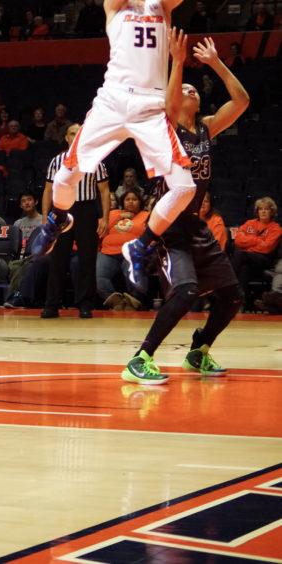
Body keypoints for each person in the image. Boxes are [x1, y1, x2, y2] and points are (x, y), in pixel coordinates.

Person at [34, 0, 202, 279]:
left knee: (185, 188)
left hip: (150, 108)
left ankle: (142, 244)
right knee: (66, 176)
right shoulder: (114, 6)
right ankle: (57, 219)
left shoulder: (160, 5)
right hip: (111, 101)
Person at [122, 30, 248, 384]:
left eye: (195, 89)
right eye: (185, 89)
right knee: (186, 291)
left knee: (232, 295)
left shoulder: (206, 128)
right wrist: (177, 62)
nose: (191, 91)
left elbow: (241, 101)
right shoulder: (168, 128)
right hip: (169, 226)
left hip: (195, 225)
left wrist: (216, 63)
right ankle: (140, 359)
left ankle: (199, 350)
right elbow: (170, 101)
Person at [40, 122, 110, 319]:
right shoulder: (56, 161)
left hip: (86, 209)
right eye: (72, 133)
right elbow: (48, 190)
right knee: (58, 258)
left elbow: (104, 191)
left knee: (87, 258)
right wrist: (45, 217)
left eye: (79, 133)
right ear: (66, 137)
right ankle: (52, 304)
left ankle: (85, 304)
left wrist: (104, 217)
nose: (75, 137)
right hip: (62, 209)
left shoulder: (96, 159)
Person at [96, 188, 149, 310]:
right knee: (98, 276)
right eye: (127, 199)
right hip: (108, 252)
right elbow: (101, 228)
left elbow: (150, 233)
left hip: (132, 253)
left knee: (134, 275)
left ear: (140, 202)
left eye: (134, 199)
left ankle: (133, 300)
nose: (130, 202)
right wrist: (119, 216)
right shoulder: (113, 213)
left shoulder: (146, 215)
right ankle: (116, 302)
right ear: (123, 202)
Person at [232, 197, 282, 309]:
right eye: (260, 209)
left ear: (272, 212)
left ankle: (227, 285)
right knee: (244, 267)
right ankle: (241, 302)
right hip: (247, 258)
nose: (263, 211)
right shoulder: (249, 223)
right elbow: (238, 240)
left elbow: (266, 248)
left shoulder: (276, 228)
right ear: (257, 211)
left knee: (240, 254)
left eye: (266, 209)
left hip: (264, 259)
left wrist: (248, 245)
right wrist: (256, 240)